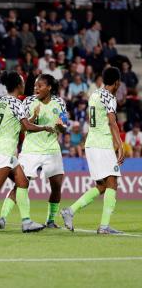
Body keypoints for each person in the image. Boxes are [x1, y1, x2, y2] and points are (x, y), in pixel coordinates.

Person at [0, 71, 54, 233]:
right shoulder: (16, 103)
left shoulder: (0, 102)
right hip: (5, 151)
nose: (24, 85)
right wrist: (44, 127)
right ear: (18, 86)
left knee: (23, 182)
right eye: (22, 83)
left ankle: (26, 221)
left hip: (3, 150)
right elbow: (27, 128)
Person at [0, 74, 67, 230]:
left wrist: (61, 126)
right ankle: (2, 218)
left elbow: (63, 125)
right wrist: (34, 116)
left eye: (40, 86)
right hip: (30, 149)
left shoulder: (59, 102)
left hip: (51, 149)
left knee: (57, 186)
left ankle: (51, 220)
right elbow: (23, 126)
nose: (36, 88)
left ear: (49, 87)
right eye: (35, 86)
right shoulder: (27, 101)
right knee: (20, 185)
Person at [61, 67, 125, 234]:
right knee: (112, 183)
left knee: (102, 186)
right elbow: (112, 123)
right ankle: (104, 227)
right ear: (117, 82)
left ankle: (70, 210)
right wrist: (120, 145)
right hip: (102, 144)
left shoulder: (94, 94)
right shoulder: (110, 98)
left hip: (91, 143)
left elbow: (92, 119)